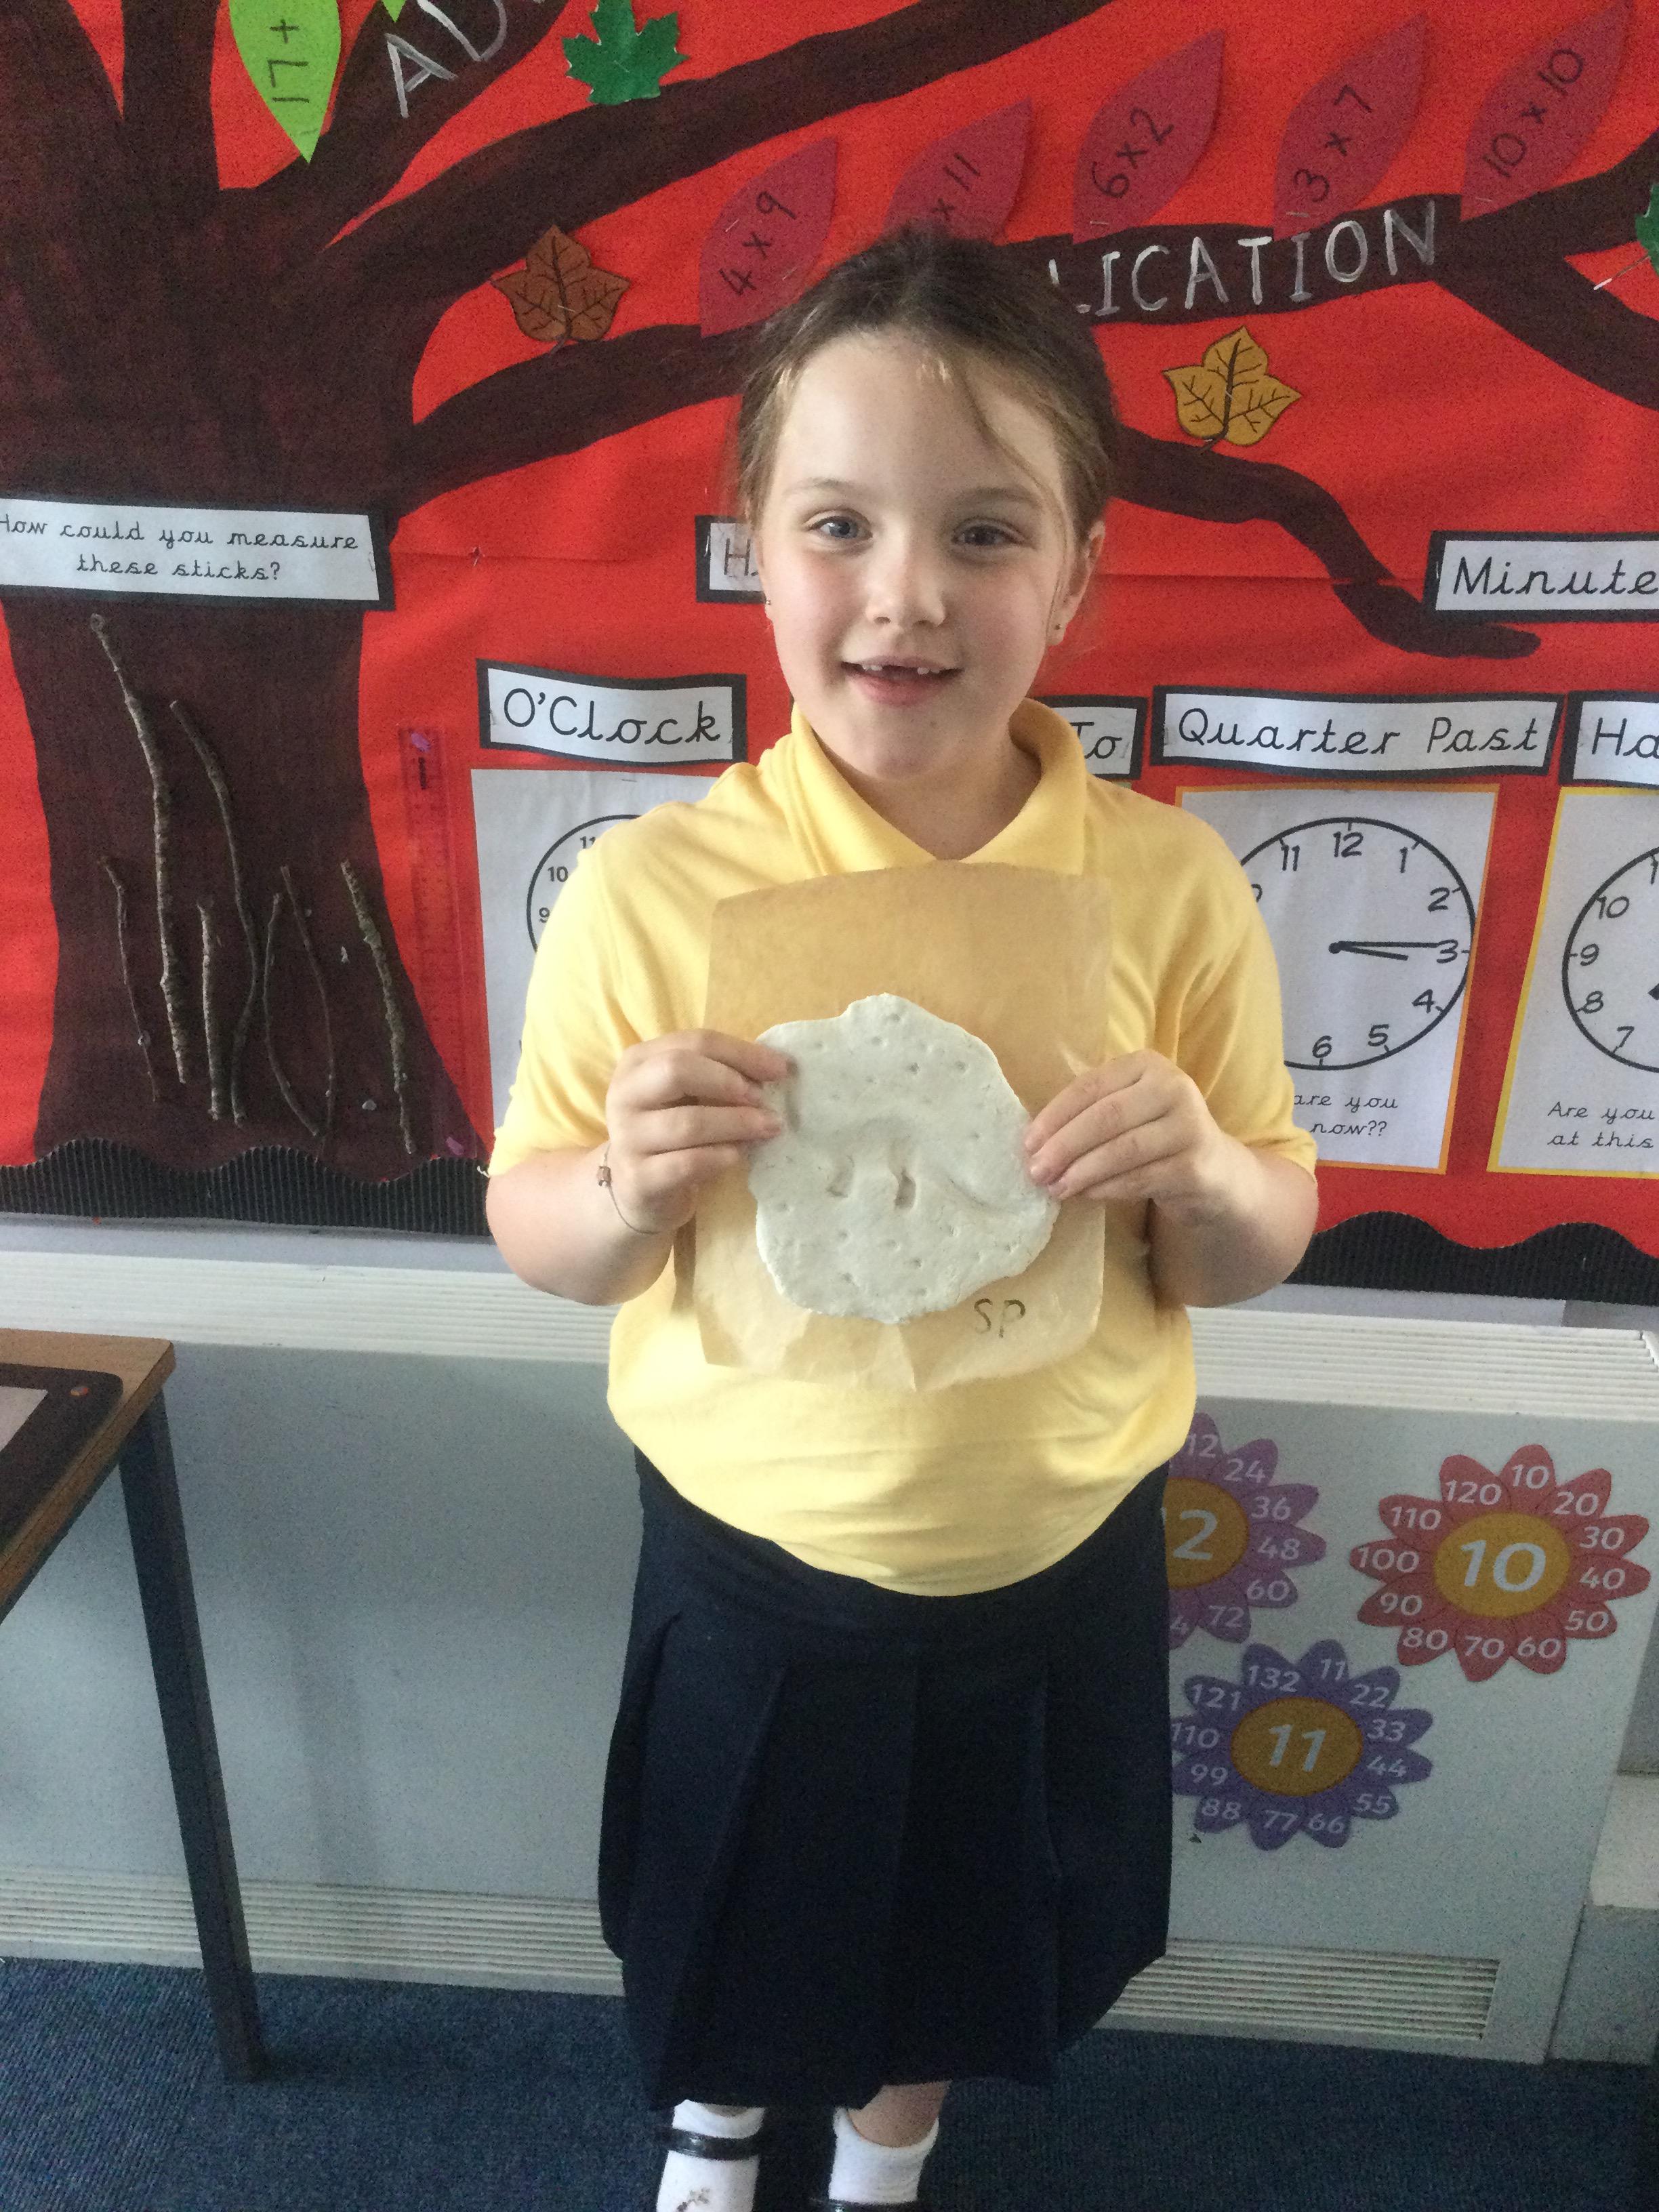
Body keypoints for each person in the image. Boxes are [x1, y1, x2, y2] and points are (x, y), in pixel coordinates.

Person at [486, 226, 1318, 2212]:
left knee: (962, 1927)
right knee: (736, 1903)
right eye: (839, 524)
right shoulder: (656, 891)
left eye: (986, 532)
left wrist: (1204, 1175)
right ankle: (717, 2124)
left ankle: (889, 2151)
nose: (908, 594)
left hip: (1053, 1553)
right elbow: (540, 1231)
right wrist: (623, 1184)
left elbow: (1252, 1240)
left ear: (1080, 569)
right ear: (753, 550)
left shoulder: (1169, 888)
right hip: (760, 1557)